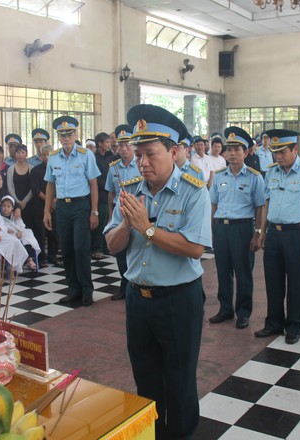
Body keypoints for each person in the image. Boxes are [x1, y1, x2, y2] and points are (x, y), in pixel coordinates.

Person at [104, 104, 211, 439]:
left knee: (179, 381)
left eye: (150, 154)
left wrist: (147, 228)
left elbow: (195, 248)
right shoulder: (131, 189)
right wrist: (127, 223)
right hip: (139, 299)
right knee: (146, 379)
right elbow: (112, 245)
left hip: (178, 299)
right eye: (138, 155)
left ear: (174, 151)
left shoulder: (194, 190)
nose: (143, 162)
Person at [255, 129, 300, 344]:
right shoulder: (271, 171)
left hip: (298, 234)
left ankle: (294, 325)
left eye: (282, 152)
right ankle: (274, 322)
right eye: (275, 152)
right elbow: (267, 202)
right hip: (274, 233)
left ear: (295, 150)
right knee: (273, 280)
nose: (278, 156)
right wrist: (263, 230)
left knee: (297, 282)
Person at [208, 127, 265, 329]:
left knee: (243, 272)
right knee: (223, 271)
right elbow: (213, 205)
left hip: (243, 229)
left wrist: (258, 233)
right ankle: (225, 309)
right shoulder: (219, 176)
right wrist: (212, 230)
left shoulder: (254, 177)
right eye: (229, 149)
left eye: (236, 149)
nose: (232, 153)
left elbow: (260, 206)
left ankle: (243, 311)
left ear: (245, 152)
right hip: (222, 228)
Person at [43, 116, 100, 307]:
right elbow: (50, 184)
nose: (66, 138)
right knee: (66, 249)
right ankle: (73, 289)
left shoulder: (86, 155)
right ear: (58, 137)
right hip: (62, 208)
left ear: (76, 134)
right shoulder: (53, 156)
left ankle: (86, 290)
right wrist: (47, 211)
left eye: (70, 134)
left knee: (81, 248)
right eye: (62, 135)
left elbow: (93, 184)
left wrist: (94, 211)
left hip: (81, 206)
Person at [104, 124, 139, 301]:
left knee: (135, 248)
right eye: (120, 145)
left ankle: (134, 283)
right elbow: (111, 192)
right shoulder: (114, 167)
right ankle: (124, 285)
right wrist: (111, 215)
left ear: (134, 145)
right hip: (119, 211)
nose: (124, 149)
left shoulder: (140, 164)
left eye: (127, 144)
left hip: (136, 211)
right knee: (119, 251)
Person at [30, 144, 59, 268]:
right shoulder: (35, 170)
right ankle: (42, 258)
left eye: (49, 154)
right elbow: (35, 189)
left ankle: (53, 256)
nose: (46, 157)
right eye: (44, 154)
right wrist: (48, 199)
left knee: (55, 232)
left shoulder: (58, 168)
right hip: (39, 206)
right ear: (40, 156)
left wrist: (55, 200)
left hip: (56, 205)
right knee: (40, 233)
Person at [0, 195, 39, 271]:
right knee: (14, 242)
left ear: (12, 208)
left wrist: (20, 231)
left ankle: (29, 259)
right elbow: (0, 227)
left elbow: (21, 224)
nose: (6, 208)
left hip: (19, 233)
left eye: (8, 206)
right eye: (4, 206)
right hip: (8, 235)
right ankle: (19, 262)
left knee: (29, 237)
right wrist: (7, 231)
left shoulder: (15, 216)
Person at [92, 132, 113, 260]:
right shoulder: (94, 158)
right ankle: (97, 248)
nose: (109, 144)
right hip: (99, 194)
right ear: (100, 143)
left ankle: (107, 246)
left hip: (109, 194)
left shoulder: (110, 157)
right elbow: (96, 177)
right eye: (107, 142)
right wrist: (107, 186)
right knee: (100, 222)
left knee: (108, 221)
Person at [7, 144, 34, 228]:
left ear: (26, 154)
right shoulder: (11, 169)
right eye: (18, 152)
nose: (20, 155)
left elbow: (33, 187)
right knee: (17, 227)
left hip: (30, 202)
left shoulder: (32, 168)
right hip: (15, 202)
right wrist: (17, 201)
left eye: (23, 152)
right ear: (15, 154)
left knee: (30, 226)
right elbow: (10, 186)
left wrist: (25, 201)